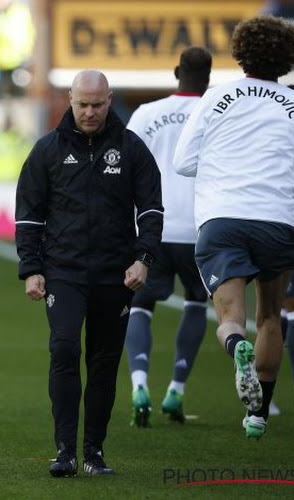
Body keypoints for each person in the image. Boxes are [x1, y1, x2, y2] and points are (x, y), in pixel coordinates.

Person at [15, 70, 163, 477]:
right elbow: (29, 214)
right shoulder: (47, 149)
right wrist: (31, 268)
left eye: (97, 104)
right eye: (82, 104)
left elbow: (151, 210)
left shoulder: (132, 149)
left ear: (110, 100)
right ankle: (64, 451)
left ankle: (94, 452)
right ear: (71, 99)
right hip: (63, 272)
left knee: (103, 362)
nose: (90, 112)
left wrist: (143, 258)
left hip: (116, 274)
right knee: (64, 349)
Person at [173, 16, 294, 439]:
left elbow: (182, 162)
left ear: (241, 52)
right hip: (279, 221)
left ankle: (233, 348)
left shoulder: (216, 97)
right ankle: (258, 415)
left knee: (230, 318)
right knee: (271, 316)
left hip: (223, 217)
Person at [124, 46, 212, 427]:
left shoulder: (146, 113)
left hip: (152, 228)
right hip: (200, 227)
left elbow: (123, 162)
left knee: (140, 306)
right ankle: (176, 391)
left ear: (177, 71)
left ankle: (138, 384)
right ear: (209, 78)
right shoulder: (215, 112)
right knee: (196, 303)